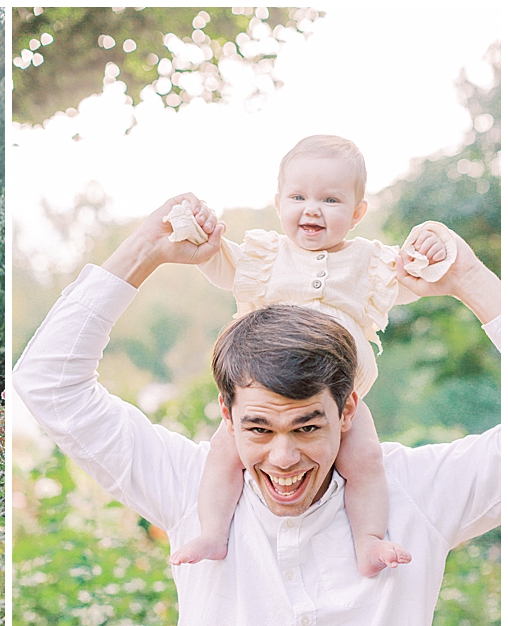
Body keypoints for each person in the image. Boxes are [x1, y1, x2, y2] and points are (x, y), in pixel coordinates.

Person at [12, 195, 500, 626]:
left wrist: (470, 279)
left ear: (348, 410)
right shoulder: (190, 487)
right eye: (259, 429)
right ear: (227, 413)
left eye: (308, 428)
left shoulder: (418, 494)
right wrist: (147, 248)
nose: (284, 458)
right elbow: (48, 384)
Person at [168, 135, 458, 577]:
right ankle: (212, 531)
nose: (312, 209)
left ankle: (369, 541)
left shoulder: (370, 263)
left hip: (340, 398)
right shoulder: (266, 256)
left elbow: (414, 278)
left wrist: (429, 255)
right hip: (267, 389)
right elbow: (220, 265)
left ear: (358, 212)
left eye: (331, 199)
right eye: (298, 196)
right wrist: (197, 230)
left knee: (366, 461)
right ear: (279, 201)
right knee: (224, 452)